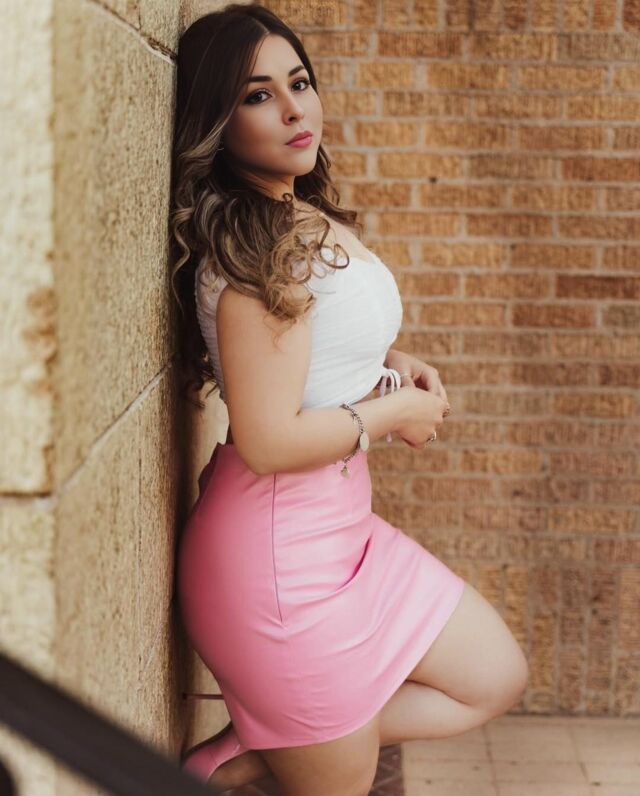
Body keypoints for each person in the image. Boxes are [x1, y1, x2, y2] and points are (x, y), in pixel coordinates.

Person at [169, 4, 529, 794]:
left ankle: (262, 748)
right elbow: (267, 438)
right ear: (217, 124)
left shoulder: (298, 213)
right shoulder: (258, 249)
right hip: (277, 566)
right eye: (257, 96)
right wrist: (395, 414)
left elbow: (316, 344)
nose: (293, 109)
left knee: (492, 675)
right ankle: (284, 743)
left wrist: (389, 363)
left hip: (341, 533)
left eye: (298, 83)